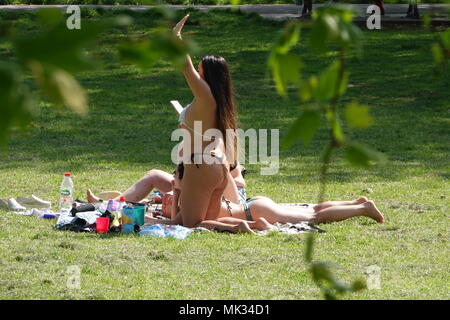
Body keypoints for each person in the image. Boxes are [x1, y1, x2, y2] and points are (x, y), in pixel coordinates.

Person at [145, 162, 385, 234]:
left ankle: (362, 208)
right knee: (315, 208)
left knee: (314, 216)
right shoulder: (190, 192)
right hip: (252, 207)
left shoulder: (191, 195)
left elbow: (179, 221)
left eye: (175, 177)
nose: (172, 180)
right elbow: (179, 217)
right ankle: (354, 203)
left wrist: (151, 219)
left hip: (255, 212)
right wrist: (175, 190)